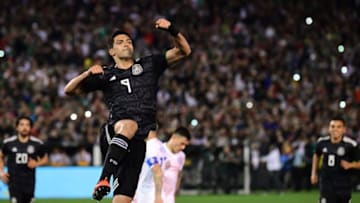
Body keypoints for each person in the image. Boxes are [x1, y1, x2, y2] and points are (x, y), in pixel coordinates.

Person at [64, 17, 191, 202]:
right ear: (112, 51)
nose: (126, 44)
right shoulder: (106, 74)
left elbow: (184, 51)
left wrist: (172, 29)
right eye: (120, 42)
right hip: (115, 133)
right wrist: (87, 73)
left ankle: (108, 184)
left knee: (124, 198)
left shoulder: (148, 65)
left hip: (139, 141)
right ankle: (104, 179)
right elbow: (69, 90)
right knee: (129, 124)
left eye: (129, 41)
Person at [133, 127, 191, 203]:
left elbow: (178, 175)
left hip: (169, 196)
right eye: (182, 143)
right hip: (153, 193)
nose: (183, 147)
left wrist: (175, 191)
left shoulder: (181, 156)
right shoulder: (159, 149)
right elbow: (149, 172)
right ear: (174, 137)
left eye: (185, 145)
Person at [311, 116, 360, 203]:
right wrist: (313, 173)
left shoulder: (351, 145)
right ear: (329, 128)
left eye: (338, 126)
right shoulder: (322, 142)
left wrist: (350, 165)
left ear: (344, 129)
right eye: (332, 126)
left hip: (344, 185)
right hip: (326, 183)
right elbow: (316, 155)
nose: (335, 129)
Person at [0, 116, 48, 203]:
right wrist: (1, 173)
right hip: (14, 182)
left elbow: (45, 158)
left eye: (27, 125)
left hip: (29, 182)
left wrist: (36, 163)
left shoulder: (37, 144)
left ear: (30, 128)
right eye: (22, 125)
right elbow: (0, 156)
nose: (24, 127)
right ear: (17, 127)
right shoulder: (8, 143)